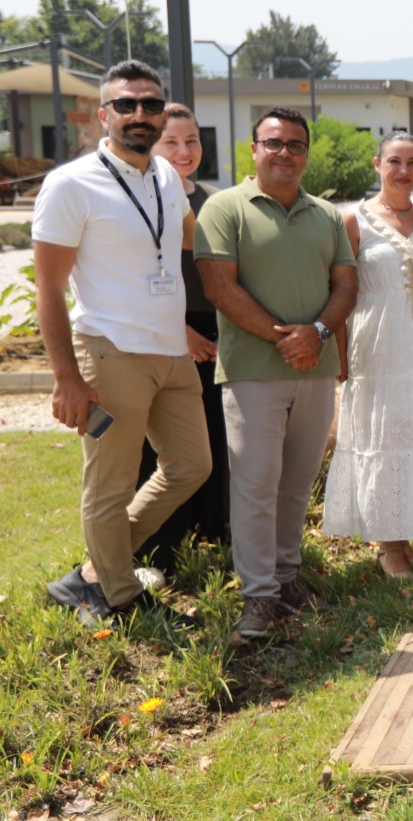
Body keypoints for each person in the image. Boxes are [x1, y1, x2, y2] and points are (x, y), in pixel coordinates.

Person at [36, 61, 210, 627]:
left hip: (169, 352)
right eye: (127, 105)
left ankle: (92, 573)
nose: (141, 114)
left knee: (190, 465)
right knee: (109, 483)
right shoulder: (70, 184)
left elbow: (196, 241)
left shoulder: (163, 175)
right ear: (104, 114)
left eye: (151, 104)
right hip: (109, 351)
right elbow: (50, 290)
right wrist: (67, 377)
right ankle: (121, 599)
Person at [196, 106, 357, 638]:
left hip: (316, 367)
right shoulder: (224, 209)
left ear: (306, 154)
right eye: (274, 143)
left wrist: (317, 334)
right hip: (251, 372)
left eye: (294, 145)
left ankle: (288, 578)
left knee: (296, 483)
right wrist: (289, 339)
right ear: (254, 149)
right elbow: (220, 287)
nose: (284, 152)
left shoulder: (327, 215)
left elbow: (346, 287)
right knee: (255, 484)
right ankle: (258, 596)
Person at [324, 133, 413, 579]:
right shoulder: (355, 221)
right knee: (383, 439)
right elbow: (342, 291)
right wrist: (340, 351)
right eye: (394, 162)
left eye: (411, 162)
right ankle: (386, 544)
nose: (403, 171)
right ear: (377, 164)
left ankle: (404, 538)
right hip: (376, 346)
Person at [134, 103, 233, 572]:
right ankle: (157, 552)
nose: (184, 150)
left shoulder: (215, 201)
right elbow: (134, 277)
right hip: (166, 332)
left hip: (216, 335)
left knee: (214, 438)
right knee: (162, 450)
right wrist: (182, 332)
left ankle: (216, 533)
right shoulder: (141, 198)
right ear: (151, 144)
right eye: (171, 141)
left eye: (191, 140)